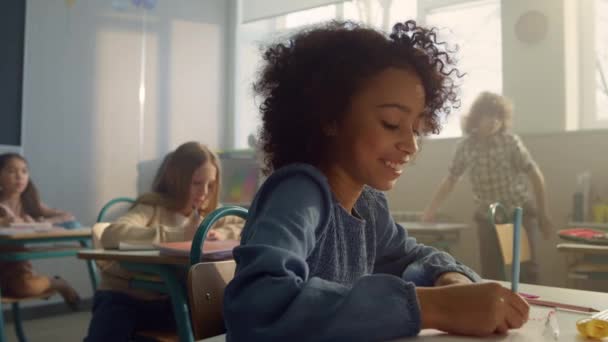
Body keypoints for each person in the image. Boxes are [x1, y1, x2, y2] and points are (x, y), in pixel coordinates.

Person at [223, 21, 530, 341]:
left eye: (416, 128)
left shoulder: (367, 205)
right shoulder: (300, 193)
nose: (411, 145)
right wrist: (435, 308)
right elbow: (257, 306)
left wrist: (452, 281)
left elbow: (414, 257)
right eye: (391, 123)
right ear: (330, 116)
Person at [84, 141, 244, 341]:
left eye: (210, 185)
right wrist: (181, 234)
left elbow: (248, 223)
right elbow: (112, 234)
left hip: (171, 300)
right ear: (177, 180)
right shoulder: (152, 207)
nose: (204, 192)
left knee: (226, 316)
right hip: (126, 298)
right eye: (196, 183)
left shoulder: (210, 214)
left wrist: (222, 233)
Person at [422, 91, 553, 283]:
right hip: (488, 217)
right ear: (477, 118)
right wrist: (431, 210)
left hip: (518, 213)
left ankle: (532, 310)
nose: (494, 122)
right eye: (489, 116)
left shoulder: (509, 142)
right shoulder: (466, 146)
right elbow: (451, 179)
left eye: (498, 117)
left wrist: (543, 213)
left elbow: (535, 175)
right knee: (491, 271)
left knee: (526, 270)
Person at [0, 153, 80, 308]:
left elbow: (67, 216)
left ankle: (57, 283)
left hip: (16, 268)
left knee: (26, 287)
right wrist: (5, 221)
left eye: (24, 171)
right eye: (11, 171)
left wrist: (43, 221)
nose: (19, 176)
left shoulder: (30, 203)